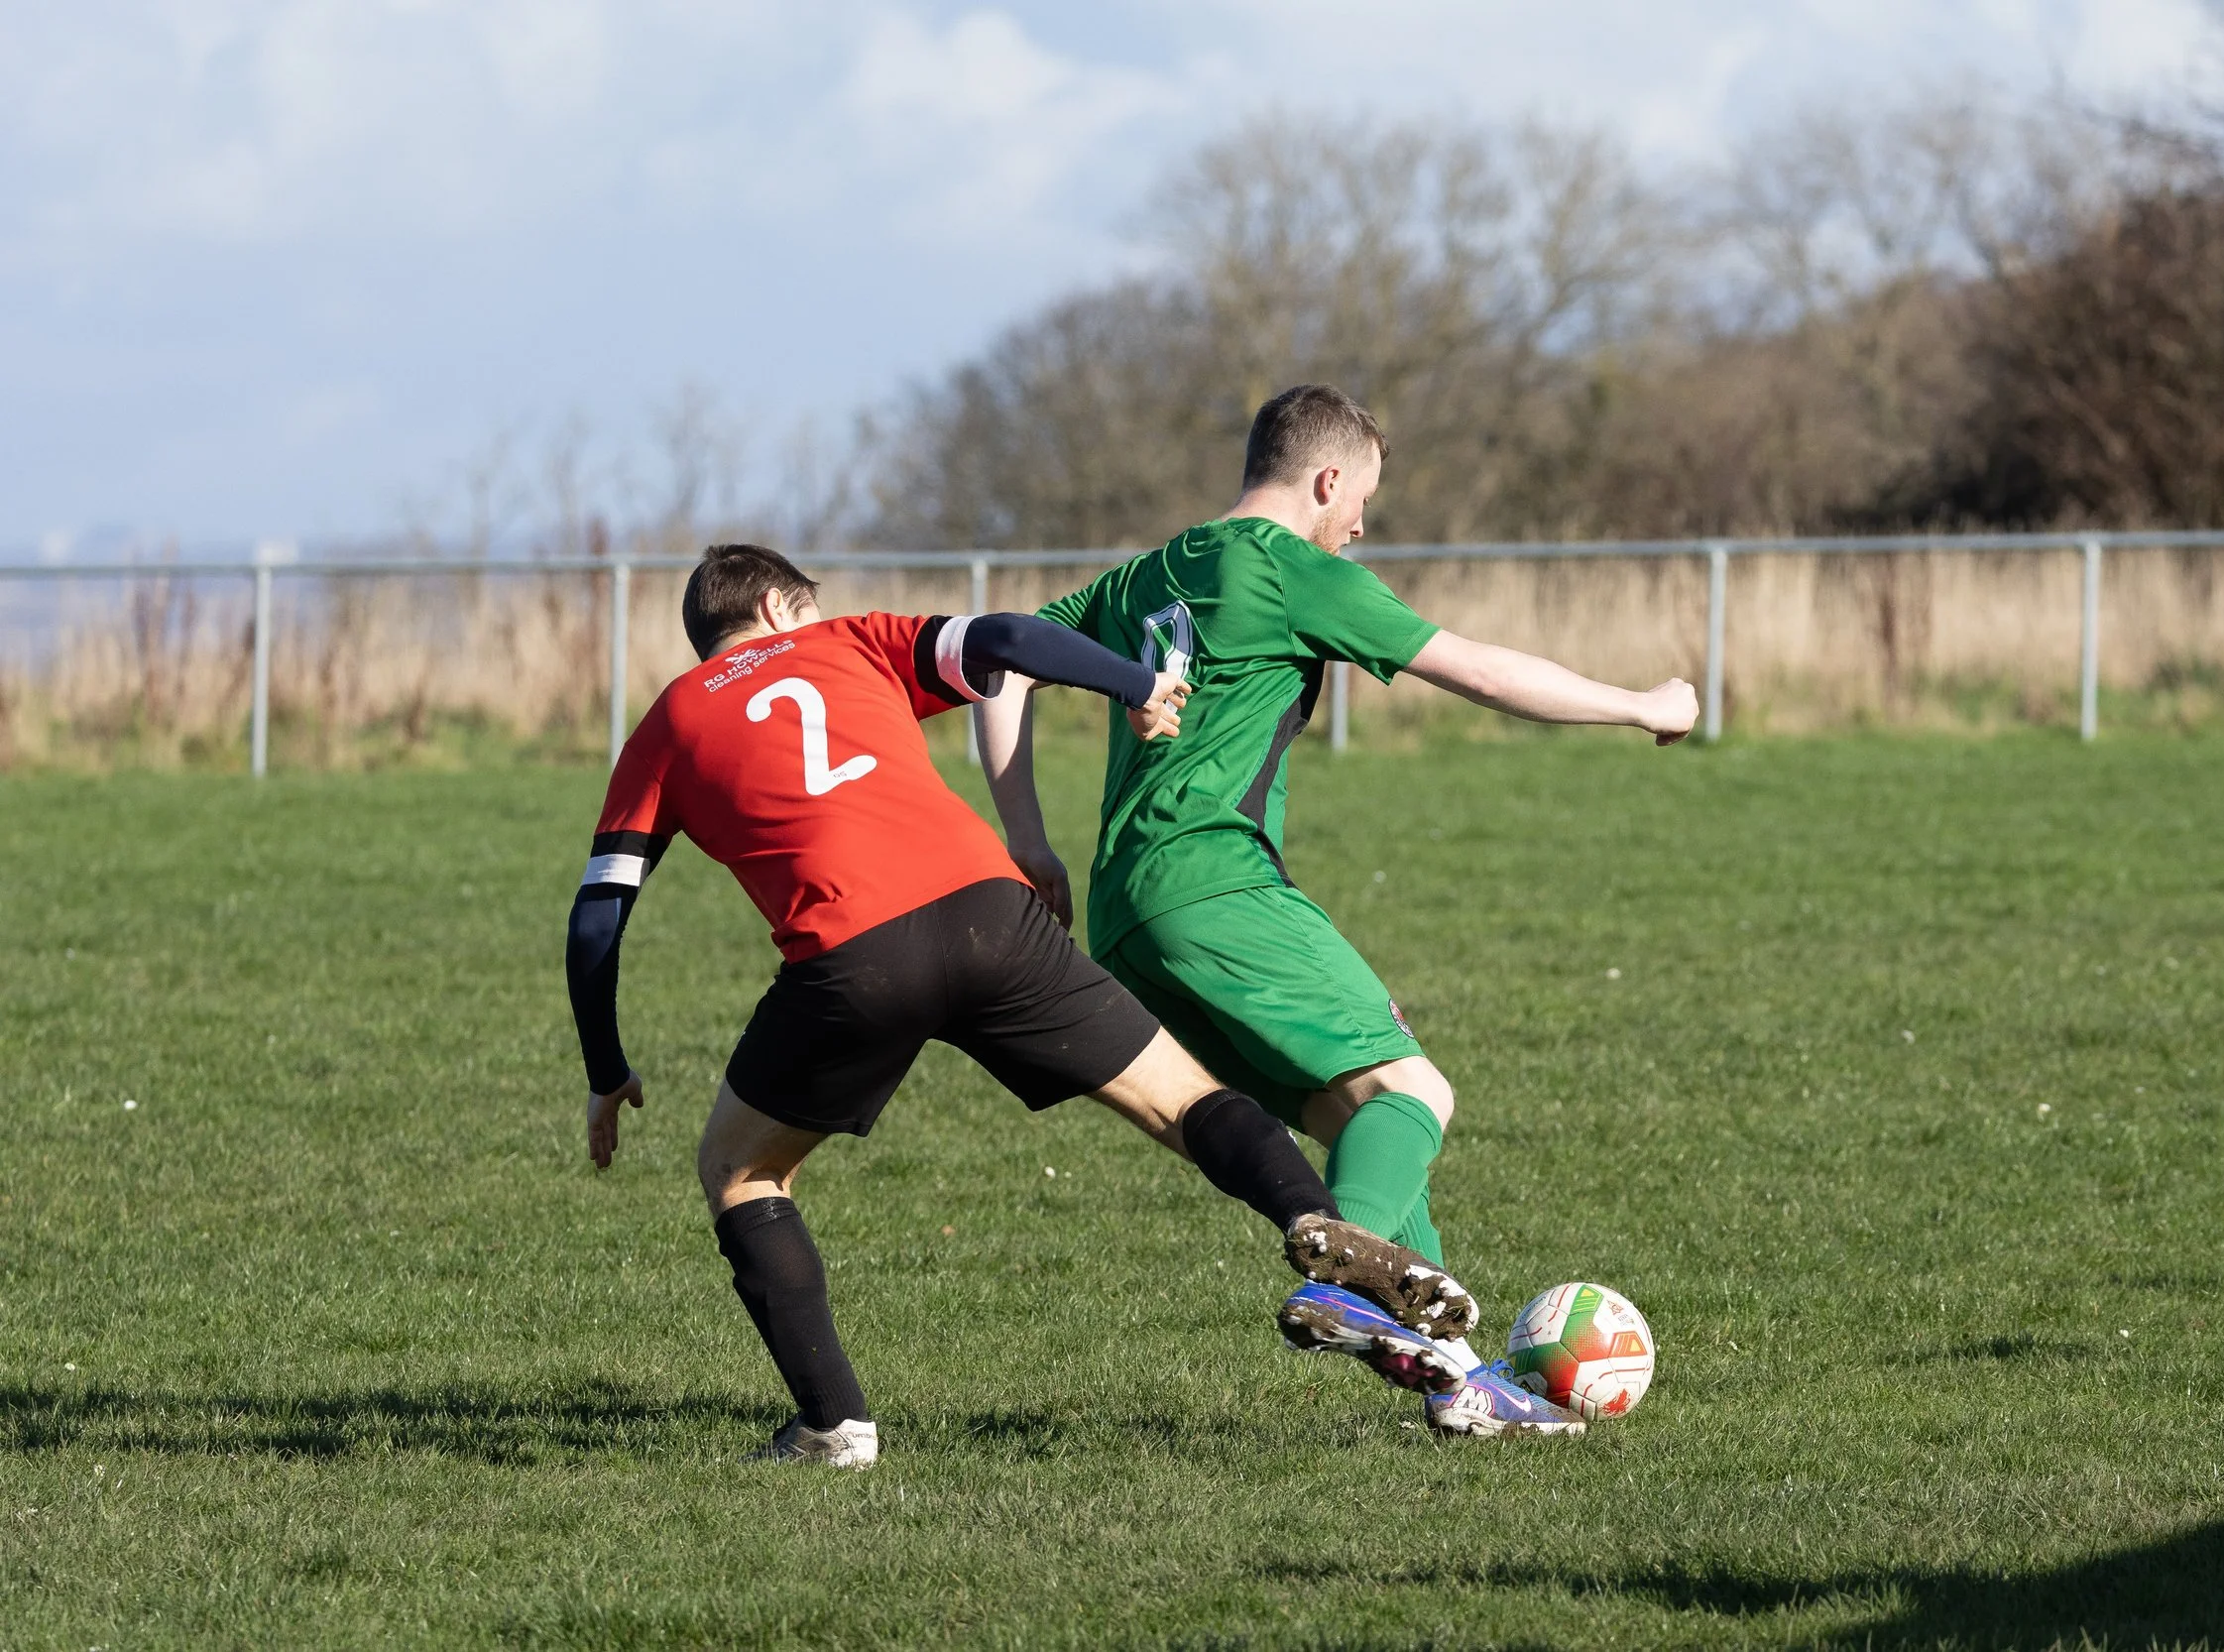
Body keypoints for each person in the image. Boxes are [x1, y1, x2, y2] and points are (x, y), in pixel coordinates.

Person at [564, 542, 1475, 1468]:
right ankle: (1313, 1226)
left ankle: (833, 1426)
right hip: (990, 914)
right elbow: (1003, 636)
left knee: (739, 1170)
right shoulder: (850, 642)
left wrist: (606, 1070)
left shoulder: (669, 723)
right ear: (773, 605)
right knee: (1185, 1101)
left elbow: (600, 912)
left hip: (853, 959)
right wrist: (1134, 681)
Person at [975, 386, 1701, 1438]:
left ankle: (1459, 1380)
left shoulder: (1146, 575)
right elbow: (1480, 672)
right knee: (1415, 1089)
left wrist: (1024, 837)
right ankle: (1345, 1280)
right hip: (1214, 880)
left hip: (1129, 912)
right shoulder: (1288, 569)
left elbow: (997, 658)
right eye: (1360, 500)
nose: (1359, 525)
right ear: (1324, 481)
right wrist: (1642, 705)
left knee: (1361, 1113)